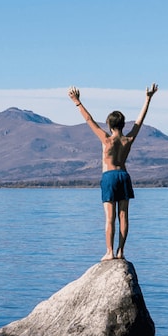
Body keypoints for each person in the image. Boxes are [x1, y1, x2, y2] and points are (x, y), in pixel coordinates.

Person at [68, 84, 157, 260]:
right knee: (123, 216)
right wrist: (148, 98)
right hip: (123, 176)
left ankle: (109, 252)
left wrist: (77, 101)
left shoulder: (106, 139)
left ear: (109, 124)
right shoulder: (128, 139)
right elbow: (140, 121)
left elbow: (89, 120)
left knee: (110, 218)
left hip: (109, 176)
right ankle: (121, 251)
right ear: (123, 125)